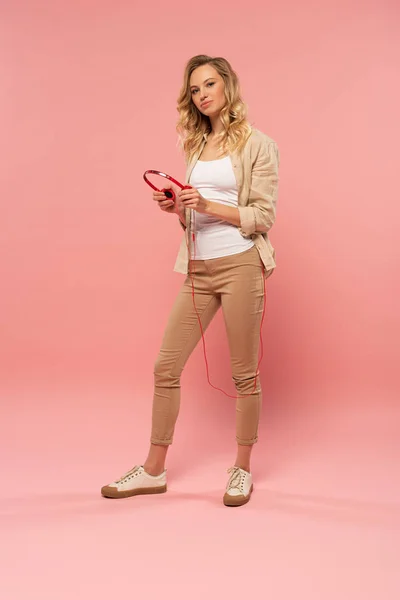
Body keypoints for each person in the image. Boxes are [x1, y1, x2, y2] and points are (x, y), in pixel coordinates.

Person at [101, 54, 280, 507]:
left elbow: (262, 216)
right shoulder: (195, 146)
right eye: (195, 89)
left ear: (228, 87)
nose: (202, 95)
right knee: (166, 367)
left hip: (240, 263)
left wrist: (206, 205)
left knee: (244, 375)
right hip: (198, 268)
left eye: (209, 85)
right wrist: (178, 209)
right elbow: (193, 217)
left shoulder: (259, 144)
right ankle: (153, 471)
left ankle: (241, 470)